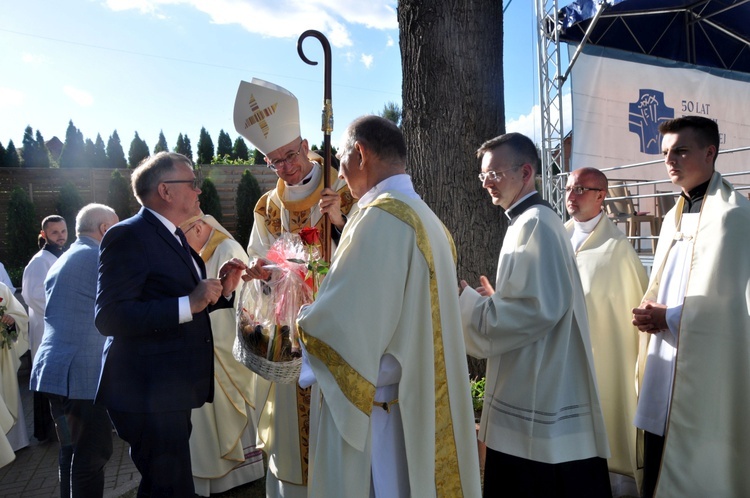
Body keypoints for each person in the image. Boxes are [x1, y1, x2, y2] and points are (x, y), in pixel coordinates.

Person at [296, 115, 481, 497]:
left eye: (342, 161)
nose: (340, 175)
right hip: (416, 401)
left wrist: (300, 325)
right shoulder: (429, 220)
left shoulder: (379, 218)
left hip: (383, 411)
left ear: (360, 154)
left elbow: (344, 327)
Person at [459, 133, 611, 498]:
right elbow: (537, 301)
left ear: (526, 171)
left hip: (539, 395)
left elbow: (533, 311)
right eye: (483, 176)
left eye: (494, 174)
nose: (487, 184)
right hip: (535, 378)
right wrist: (497, 299)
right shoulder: (527, 221)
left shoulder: (536, 224)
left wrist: (462, 300)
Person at [94, 152, 247, 497]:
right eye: (192, 184)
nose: (198, 192)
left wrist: (221, 292)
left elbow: (182, 304)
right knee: (169, 488)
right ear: (165, 190)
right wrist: (188, 302)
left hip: (168, 391)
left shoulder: (174, 236)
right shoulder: (128, 236)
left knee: (169, 486)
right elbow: (109, 316)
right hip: (146, 392)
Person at [233, 78, 357, 497]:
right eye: (273, 161)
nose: (285, 167)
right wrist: (262, 273)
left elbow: (371, 251)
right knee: (293, 433)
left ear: (306, 144)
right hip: (291, 335)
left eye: (289, 155)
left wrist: (340, 222)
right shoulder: (268, 207)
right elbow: (262, 256)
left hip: (341, 329)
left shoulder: (346, 189)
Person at [631, 116, 750, 498]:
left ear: (710, 152)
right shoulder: (672, 217)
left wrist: (667, 316)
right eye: (665, 152)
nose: (670, 161)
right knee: (657, 460)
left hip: (708, 367)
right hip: (665, 359)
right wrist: (650, 310)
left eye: (681, 150)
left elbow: (730, 308)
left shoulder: (734, 217)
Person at [564, 168, 648, 497]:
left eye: (581, 189)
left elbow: (621, 309)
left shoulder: (617, 249)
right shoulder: (558, 235)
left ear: (601, 195)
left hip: (603, 354)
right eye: (569, 187)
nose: (572, 195)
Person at [28, 204, 118, 498]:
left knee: (71, 452)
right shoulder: (96, 256)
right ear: (104, 229)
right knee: (91, 456)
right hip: (80, 376)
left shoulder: (65, 257)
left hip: (57, 375)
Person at [179, 212, 264, 496]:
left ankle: (239, 471)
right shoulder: (196, 251)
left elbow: (243, 302)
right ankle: (215, 475)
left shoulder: (227, 249)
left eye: (185, 233)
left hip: (221, 343)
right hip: (203, 343)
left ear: (200, 226)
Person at [22, 214, 68, 443]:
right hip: (47, 328)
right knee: (48, 382)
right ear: (44, 235)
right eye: (54, 232)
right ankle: (48, 431)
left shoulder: (63, 256)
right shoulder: (39, 261)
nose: (60, 236)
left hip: (60, 328)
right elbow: (32, 295)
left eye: (63, 231)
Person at [0, 281, 29, 467]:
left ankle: (15, 442)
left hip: (3, 354)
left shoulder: (1, 288)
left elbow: (20, 317)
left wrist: (10, 320)